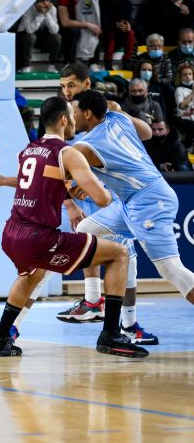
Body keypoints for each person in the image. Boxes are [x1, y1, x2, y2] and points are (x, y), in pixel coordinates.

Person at [0, 96, 148, 359]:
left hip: (12, 233)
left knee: (32, 275)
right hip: (38, 237)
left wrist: (7, 181)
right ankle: (111, 335)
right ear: (63, 120)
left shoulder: (28, 150)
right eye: (71, 116)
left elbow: (39, 181)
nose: (73, 121)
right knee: (119, 254)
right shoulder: (67, 153)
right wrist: (84, 183)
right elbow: (103, 199)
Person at [70, 89, 194, 326]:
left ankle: (104, 306)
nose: (72, 117)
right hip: (132, 200)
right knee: (86, 230)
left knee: (171, 269)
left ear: (87, 113)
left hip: (149, 200)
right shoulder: (117, 116)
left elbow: (56, 172)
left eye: (74, 112)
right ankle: (94, 302)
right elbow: (147, 132)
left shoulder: (85, 146)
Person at [16, 0, 61, 73]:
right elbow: (29, 30)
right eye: (42, 1)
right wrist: (40, 14)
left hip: (42, 37)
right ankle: (26, 66)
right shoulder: (28, 8)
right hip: (25, 36)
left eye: (47, 0)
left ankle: (52, 65)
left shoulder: (52, 9)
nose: (45, 3)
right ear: (35, 2)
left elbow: (54, 30)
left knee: (57, 37)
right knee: (31, 37)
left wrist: (46, 14)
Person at [58, 0, 101, 66]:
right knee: (73, 31)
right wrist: (87, 25)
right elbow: (65, 22)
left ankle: (93, 63)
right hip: (67, 26)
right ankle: (69, 63)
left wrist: (93, 26)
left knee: (98, 30)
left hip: (83, 23)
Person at [99, 0, 135, 71]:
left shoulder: (127, 3)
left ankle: (126, 61)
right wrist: (116, 25)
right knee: (111, 32)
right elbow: (103, 22)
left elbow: (130, 20)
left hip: (122, 35)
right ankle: (108, 62)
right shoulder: (102, 3)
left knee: (130, 33)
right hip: (107, 36)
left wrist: (128, 25)